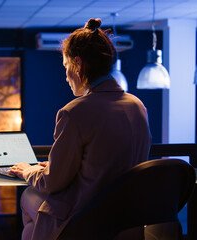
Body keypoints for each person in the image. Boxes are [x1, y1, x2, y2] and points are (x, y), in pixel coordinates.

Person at [9, 18, 152, 240]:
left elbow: (52, 182)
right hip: (129, 220)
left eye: (66, 67)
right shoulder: (137, 106)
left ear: (78, 64)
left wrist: (27, 169)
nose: (66, 76)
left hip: (87, 221)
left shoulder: (74, 112)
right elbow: (109, 164)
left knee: (29, 195)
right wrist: (62, 166)